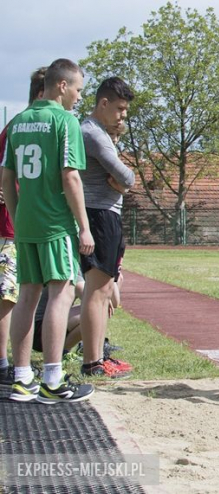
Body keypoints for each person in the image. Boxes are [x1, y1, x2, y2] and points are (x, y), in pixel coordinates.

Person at [2, 58, 95, 403]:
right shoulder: (64, 121)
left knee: (26, 296)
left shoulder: (18, 121)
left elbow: (7, 178)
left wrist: (17, 214)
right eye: (77, 89)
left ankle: (22, 377)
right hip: (56, 223)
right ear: (61, 85)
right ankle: (53, 379)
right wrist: (84, 227)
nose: (78, 96)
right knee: (61, 293)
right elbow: (70, 176)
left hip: (25, 222)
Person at [78, 77, 135, 378]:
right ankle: (91, 362)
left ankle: (98, 357)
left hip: (105, 214)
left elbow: (121, 181)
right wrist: (125, 182)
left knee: (102, 291)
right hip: (99, 215)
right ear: (103, 104)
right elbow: (126, 177)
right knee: (97, 292)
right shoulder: (92, 133)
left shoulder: (100, 133)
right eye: (120, 109)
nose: (123, 116)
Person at [0, 67, 47, 389]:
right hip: (9, 227)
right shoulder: (19, 126)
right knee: (8, 297)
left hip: (22, 226)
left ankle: (13, 364)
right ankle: (6, 365)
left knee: (16, 295)